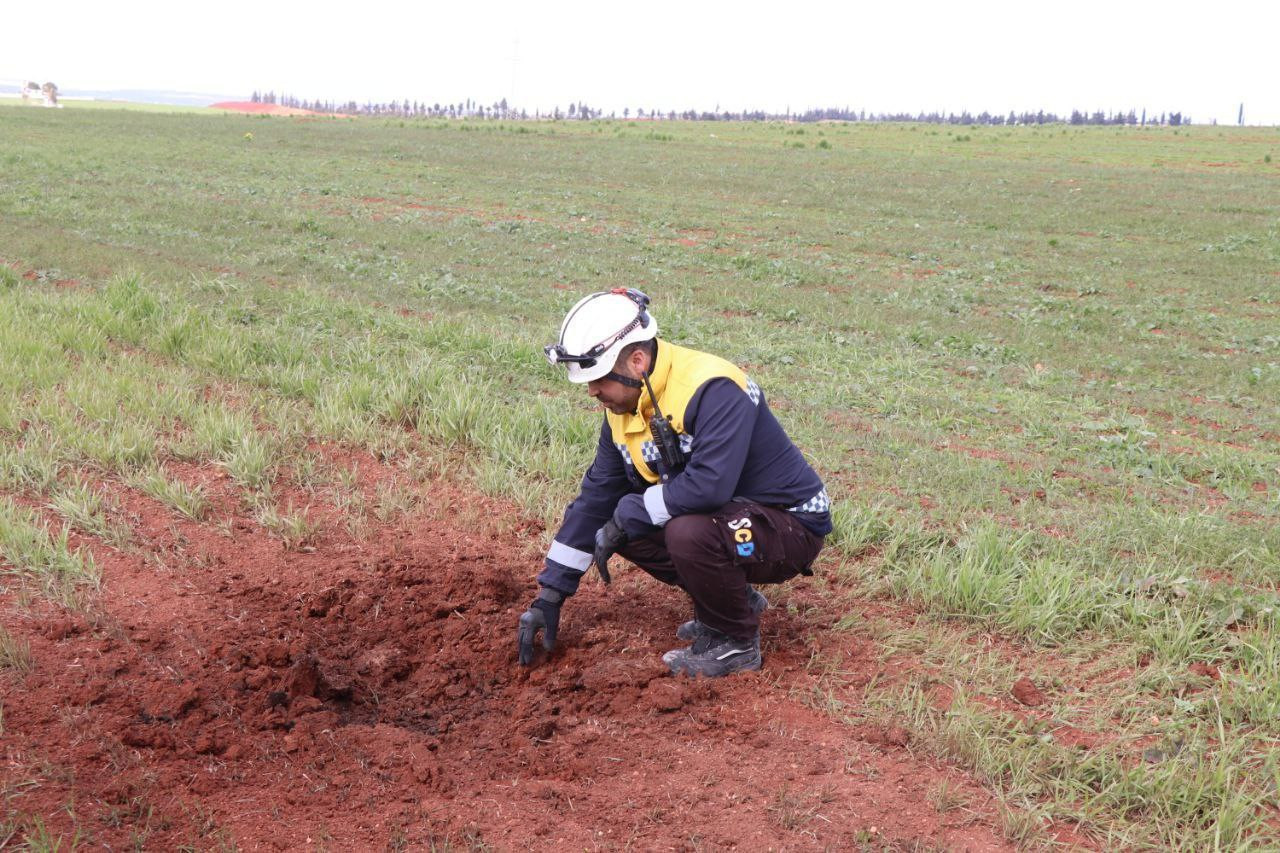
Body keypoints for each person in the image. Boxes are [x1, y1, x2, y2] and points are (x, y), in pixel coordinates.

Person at [517, 289, 832, 677]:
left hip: (791, 525)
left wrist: (632, 511)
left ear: (637, 362)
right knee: (616, 522)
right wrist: (550, 595)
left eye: (597, 379)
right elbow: (597, 497)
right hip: (728, 518)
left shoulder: (715, 387)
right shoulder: (624, 405)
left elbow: (709, 487)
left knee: (682, 529)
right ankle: (733, 600)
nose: (592, 392)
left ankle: (734, 642)